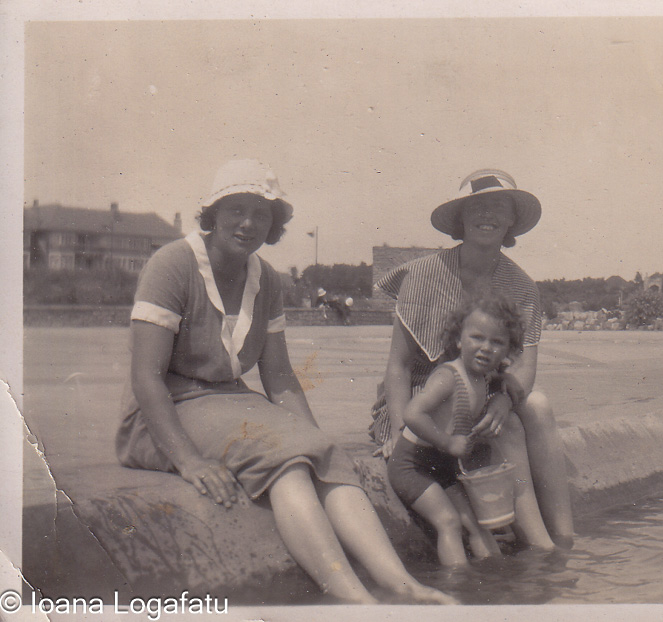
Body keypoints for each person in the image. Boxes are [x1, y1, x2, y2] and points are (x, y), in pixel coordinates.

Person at [115, 159, 456, 605]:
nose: (248, 223)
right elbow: (146, 377)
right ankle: (356, 600)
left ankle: (401, 584)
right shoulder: (172, 265)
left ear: (274, 224)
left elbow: (278, 376)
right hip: (162, 413)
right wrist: (188, 461)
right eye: (236, 208)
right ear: (213, 213)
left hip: (229, 403)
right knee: (288, 463)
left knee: (324, 455)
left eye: (262, 214)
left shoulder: (267, 279)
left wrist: (316, 439)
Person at [370, 169, 574, 548]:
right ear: (460, 218)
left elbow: (524, 367)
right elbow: (397, 366)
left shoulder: (522, 286)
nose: (488, 215)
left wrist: (502, 399)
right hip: (423, 394)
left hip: (479, 389)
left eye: (499, 207)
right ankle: (540, 542)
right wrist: (399, 431)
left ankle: (560, 536)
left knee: (537, 406)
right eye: (477, 207)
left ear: (512, 220)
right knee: (510, 429)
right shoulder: (423, 275)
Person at [388, 295, 533, 565]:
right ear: (458, 340)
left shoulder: (486, 377)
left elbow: (497, 381)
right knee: (450, 522)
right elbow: (411, 413)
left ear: (508, 351)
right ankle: (458, 585)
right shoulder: (448, 377)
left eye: (497, 342)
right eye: (477, 338)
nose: (486, 348)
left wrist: (506, 381)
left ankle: (493, 581)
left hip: (443, 468)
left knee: (479, 525)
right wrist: (446, 442)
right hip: (413, 466)